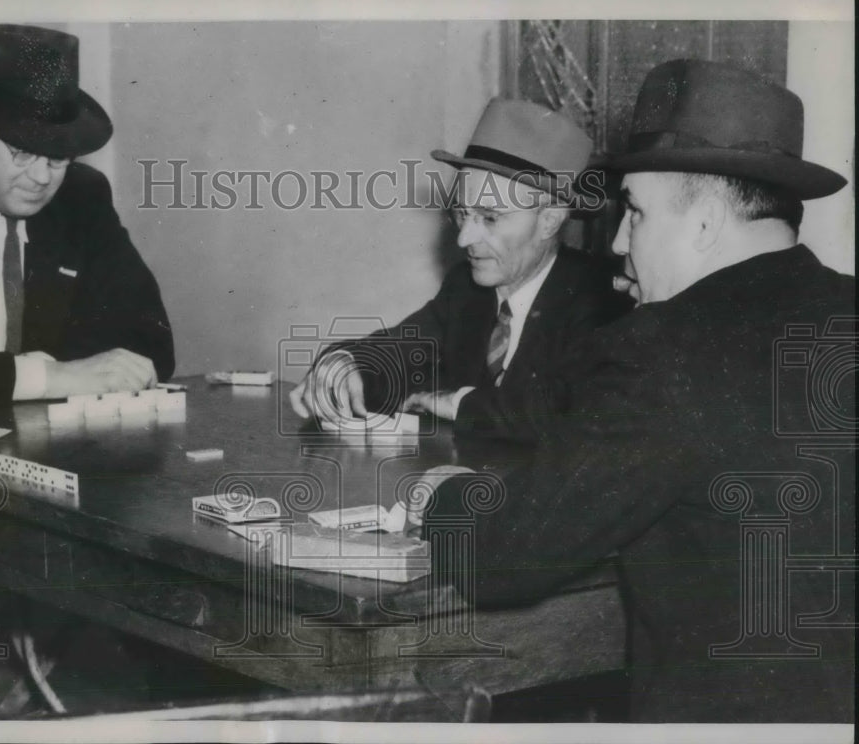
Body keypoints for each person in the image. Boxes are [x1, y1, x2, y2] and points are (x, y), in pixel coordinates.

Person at [413, 59, 855, 722]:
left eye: (637, 215)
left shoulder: (665, 348)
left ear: (703, 225)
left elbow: (511, 557)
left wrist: (442, 496)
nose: (618, 241)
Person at [290, 98, 629, 439]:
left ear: (550, 221)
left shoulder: (600, 300)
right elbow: (400, 351)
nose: (465, 238)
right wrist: (346, 363)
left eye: (490, 218)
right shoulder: (467, 289)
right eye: (463, 213)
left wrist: (462, 404)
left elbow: (572, 415)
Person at [0, 24, 174, 414]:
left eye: (57, 158)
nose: (41, 177)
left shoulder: (81, 197)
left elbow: (149, 343)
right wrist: (52, 378)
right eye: (21, 152)